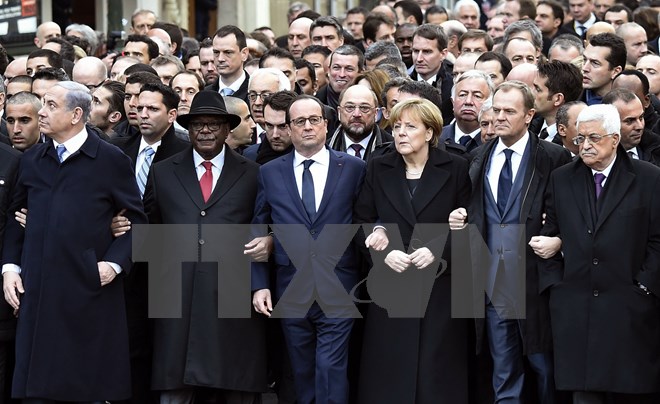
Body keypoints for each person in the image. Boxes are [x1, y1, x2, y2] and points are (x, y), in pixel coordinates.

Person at [2, 81, 147, 402]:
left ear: (76, 114)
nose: (41, 111)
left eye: (51, 105)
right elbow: (15, 217)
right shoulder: (32, 159)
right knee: (38, 392)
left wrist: (112, 265)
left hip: (87, 294)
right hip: (38, 293)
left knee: (85, 389)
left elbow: (136, 222)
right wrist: (10, 268)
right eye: (43, 103)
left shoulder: (110, 160)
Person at [449, 80, 571, 404]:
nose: (500, 117)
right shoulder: (477, 158)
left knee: (545, 370)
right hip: (491, 283)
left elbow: (571, 214)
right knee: (504, 373)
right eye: (497, 110)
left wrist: (558, 239)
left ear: (529, 115)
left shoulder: (554, 157)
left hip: (537, 283)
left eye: (509, 111)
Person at [143, 90, 267, 403]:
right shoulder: (162, 172)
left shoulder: (253, 174)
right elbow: (148, 229)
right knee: (175, 388)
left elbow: (264, 224)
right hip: (177, 299)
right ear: (189, 130)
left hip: (232, 300)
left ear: (227, 130)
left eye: (214, 124)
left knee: (234, 386)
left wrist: (271, 241)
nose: (206, 131)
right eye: (198, 125)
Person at [539, 103, 660, 404]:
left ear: (615, 139)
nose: (585, 146)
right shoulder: (562, 178)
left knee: (628, 394)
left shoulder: (649, 178)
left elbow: (658, 240)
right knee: (584, 395)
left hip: (628, 310)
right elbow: (550, 232)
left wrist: (644, 286)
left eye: (594, 138)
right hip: (576, 310)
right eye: (580, 138)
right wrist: (556, 286)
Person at [354, 98, 470, 404]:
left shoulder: (457, 167)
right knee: (390, 375)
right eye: (396, 127)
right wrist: (382, 253)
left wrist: (439, 250)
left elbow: (471, 224)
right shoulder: (378, 166)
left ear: (430, 133)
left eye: (410, 126)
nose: (401, 133)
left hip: (439, 289)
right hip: (390, 286)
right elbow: (361, 219)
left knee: (435, 375)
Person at [251, 95, 366, 404]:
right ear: (289, 129)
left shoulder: (354, 168)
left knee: (331, 368)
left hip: (339, 284)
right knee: (301, 371)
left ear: (326, 125)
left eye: (314, 120)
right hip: (291, 286)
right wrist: (259, 283)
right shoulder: (270, 172)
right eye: (299, 121)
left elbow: (365, 218)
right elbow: (259, 228)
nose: (307, 127)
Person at [327, 85, 392, 161]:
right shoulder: (324, 149)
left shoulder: (392, 148)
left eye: (364, 108)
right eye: (350, 107)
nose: (356, 114)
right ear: (339, 112)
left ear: (376, 113)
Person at [441, 70, 494, 153]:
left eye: (477, 96)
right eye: (462, 95)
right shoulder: (437, 137)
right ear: (453, 102)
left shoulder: (493, 140)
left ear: (490, 103)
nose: (468, 101)